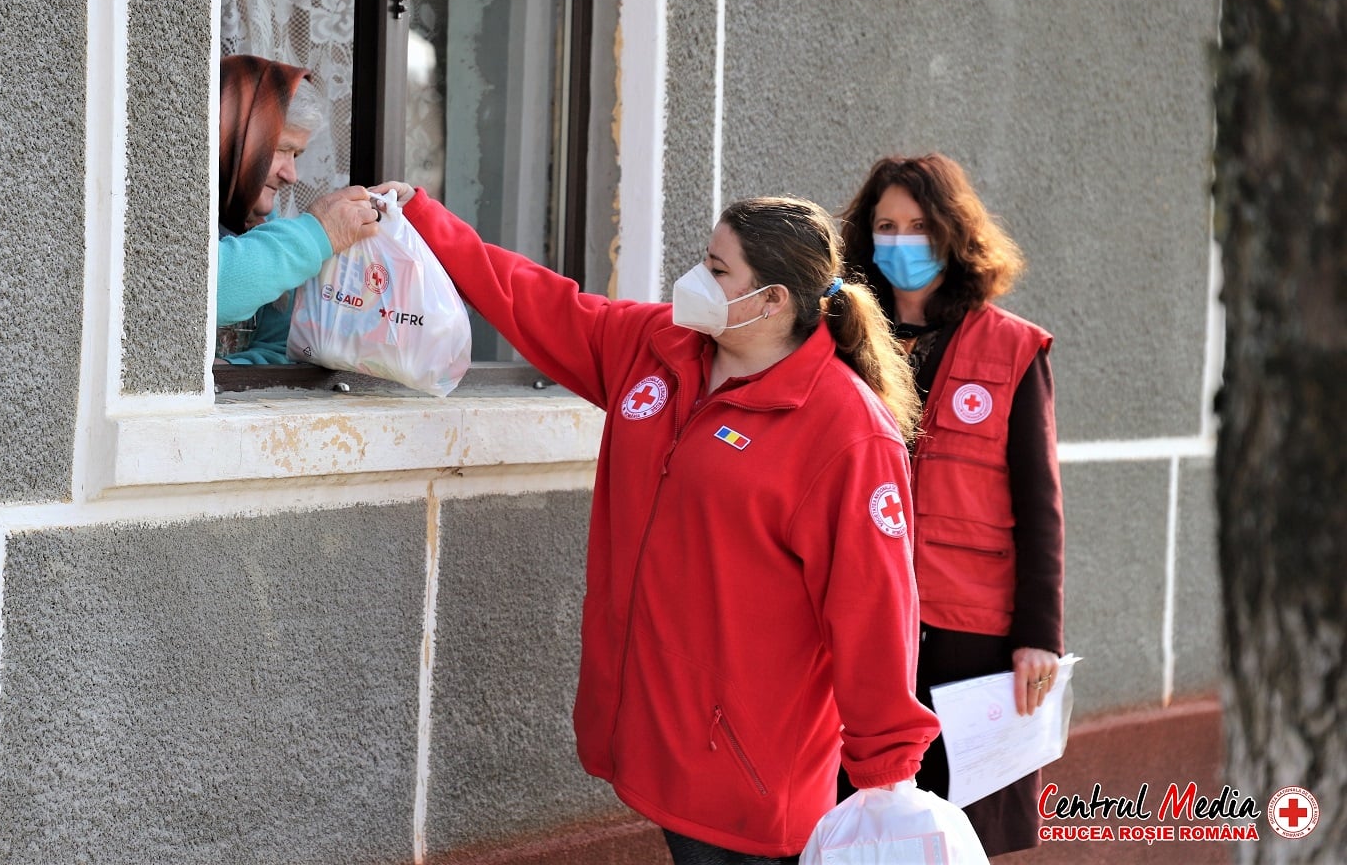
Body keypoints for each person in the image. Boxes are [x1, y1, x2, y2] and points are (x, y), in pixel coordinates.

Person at [382, 181, 939, 863]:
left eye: (717, 268)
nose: (696, 278)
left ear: (772, 302)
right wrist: (423, 218)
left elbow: (874, 610)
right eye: (704, 258)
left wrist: (887, 777)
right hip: (660, 744)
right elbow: (540, 304)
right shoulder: (660, 347)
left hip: (751, 782)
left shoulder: (846, 433)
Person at [836, 153, 1065, 856]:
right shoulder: (838, 341)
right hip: (860, 617)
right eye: (885, 226)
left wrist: (1040, 635)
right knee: (857, 823)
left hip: (973, 632)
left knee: (959, 833)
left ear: (953, 233)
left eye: (919, 226)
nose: (901, 242)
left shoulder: (1013, 348)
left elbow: (1040, 504)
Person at [216, 54, 380, 364]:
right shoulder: (175, 218)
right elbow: (204, 290)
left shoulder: (260, 226)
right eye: (281, 149)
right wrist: (320, 232)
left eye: (297, 155)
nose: (291, 174)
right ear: (232, 137)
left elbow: (283, 348)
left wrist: (226, 371)